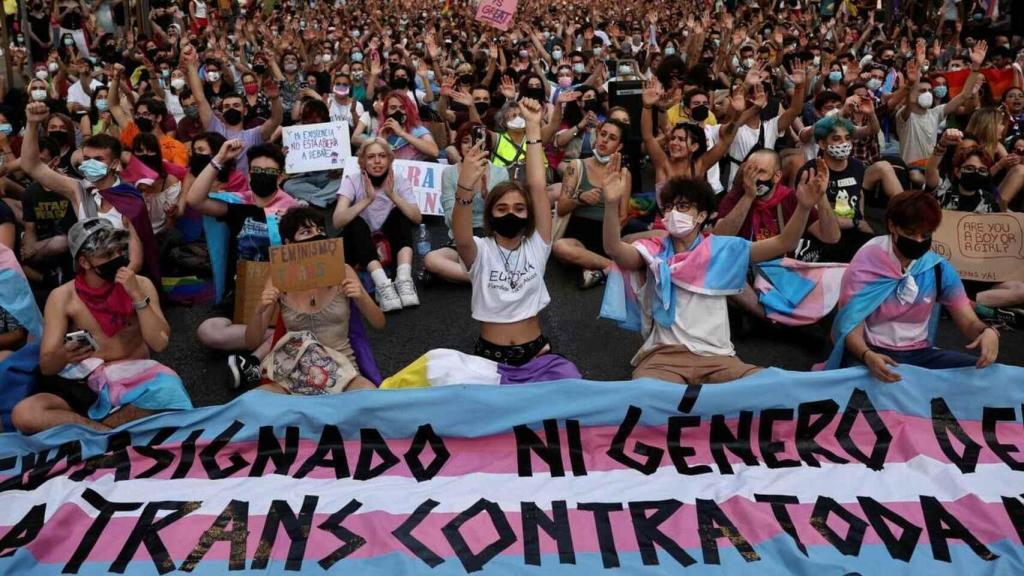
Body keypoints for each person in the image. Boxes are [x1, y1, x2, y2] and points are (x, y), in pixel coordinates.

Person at [600, 164, 828, 385]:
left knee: (766, 388)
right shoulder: (653, 250)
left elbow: (783, 242)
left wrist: (804, 207)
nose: (672, 213)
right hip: (663, 358)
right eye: (668, 207)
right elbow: (615, 249)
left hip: (717, 358)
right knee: (647, 396)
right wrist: (611, 205)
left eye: (682, 207)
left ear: (701, 216)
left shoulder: (723, 249)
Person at [10, 218, 191, 434]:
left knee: (169, 389)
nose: (117, 259)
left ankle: (93, 432)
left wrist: (137, 297)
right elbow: (48, 365)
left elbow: (159, 342)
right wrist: (65, 355)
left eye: (119, 251)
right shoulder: (63, 297)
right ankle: (103, 431)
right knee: (25, 413)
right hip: (83, 386)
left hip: (134, 384)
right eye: (107, 255)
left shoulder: (141, 285)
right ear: (85, 262)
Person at [451, 97, 577, 372]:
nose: (511, 213)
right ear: (490, 215)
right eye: (502, 208)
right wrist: (465, 186)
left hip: (538, 353)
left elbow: (536, 185)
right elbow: (460, 236)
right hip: (489, 359)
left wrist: (533, 129)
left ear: (529, 215)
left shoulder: (538, 245)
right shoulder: (479, 251)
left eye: (519, 208)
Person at [825, 191, 999, 380]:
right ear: (892, 226)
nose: (918, 241)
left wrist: (987, 332)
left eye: (925, 235)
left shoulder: (938, 269)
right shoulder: (865, 265)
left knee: (988, 376)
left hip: (920, 355)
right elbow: (850, 328)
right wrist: (868, 356)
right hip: (869, 354)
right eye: (910, 233)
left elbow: (968, 322)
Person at [245, 207, 384, 394]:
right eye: (306, 232)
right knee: (258, 400)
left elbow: (379, 322)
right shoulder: (279, 278)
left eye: (319, 230)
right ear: (288, 243)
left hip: (342, 371)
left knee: (369, 394)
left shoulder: (342, 271)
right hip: (294, 373)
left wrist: (360, 296)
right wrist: (259, 310)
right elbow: (251, 342)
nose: (316, 235)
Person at [20, 102, 151, 280]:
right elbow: (31, 166)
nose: (90, 163)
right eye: (87, 158)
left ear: (113, 164)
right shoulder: (78, 190)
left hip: (121, 278)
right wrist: (32, 124)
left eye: (98, 159)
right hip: (85, 275)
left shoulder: (130, 201)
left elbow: (136, 261)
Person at [332, 138, 422, 312]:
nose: (377, 161)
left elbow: (416, 218)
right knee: (355, 221)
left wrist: (392, 195)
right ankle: (382, 284)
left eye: (382, 156)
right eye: (371, 157)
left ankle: (403, 280)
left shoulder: (399, 179)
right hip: (360, 244)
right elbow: (337, 221)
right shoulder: (352, 180)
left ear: (389, 159)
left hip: (387, 242)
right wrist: (367, 200)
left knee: (401, 215)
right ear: (363, 162)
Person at [552, 119, 634, 289]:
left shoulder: (623, 174)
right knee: (560, 247)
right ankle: (614, 268)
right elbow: (561, 208)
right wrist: (580, 199)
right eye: (602, 134)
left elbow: (623, 215)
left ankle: (593, 266)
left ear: (619, 146)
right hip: (578, 234)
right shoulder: (576, 165)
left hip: (607, 234)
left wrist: (612, 240)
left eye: (612, 138)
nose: (604, 140)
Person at [425, 121, 510, 284]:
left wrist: (489, 199)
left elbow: (504, 219)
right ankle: (487, 277)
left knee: (501, 254)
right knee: (431, 259)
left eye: (478, 140)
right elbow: (450, 221)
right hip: (461, 239)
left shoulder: (500, 172)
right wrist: (466, 191)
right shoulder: (449, 173)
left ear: (487, 145)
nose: (472, 146)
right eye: (466, 141)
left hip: (491, 237)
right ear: (458, 145)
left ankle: (469, 275)